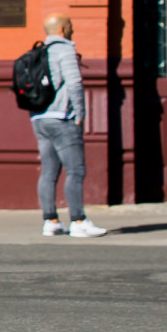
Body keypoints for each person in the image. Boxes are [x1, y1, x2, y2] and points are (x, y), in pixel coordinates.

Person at [33, 14, 106, 238]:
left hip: (39, 118)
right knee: (75, 170)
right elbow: (74, 83)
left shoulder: (38, 52)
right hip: (62, 118)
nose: (72, 30)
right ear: (63, 29)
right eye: (71, 26)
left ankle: (51, 220)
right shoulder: (65, 51)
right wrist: (80, 114)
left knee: (49, 171)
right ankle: (78, 220)